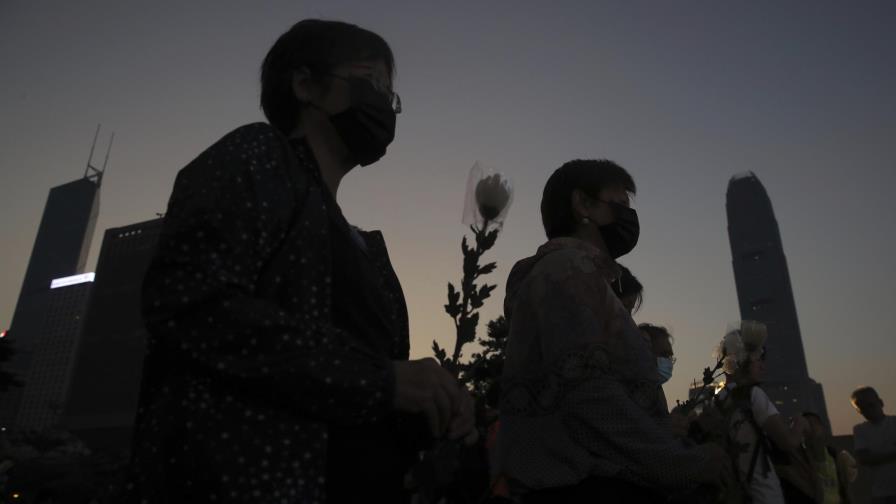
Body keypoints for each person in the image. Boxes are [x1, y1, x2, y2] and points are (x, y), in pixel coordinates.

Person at [124, 19, 474, 504]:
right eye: (371, 83)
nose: (384, 105)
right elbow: (189, 302)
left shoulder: (366, 247)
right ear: (306, 85)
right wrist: (379, 379)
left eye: (391, 96)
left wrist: (433, 407)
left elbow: (371, 388)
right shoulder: (257, 155)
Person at [495, 159, 728, 503]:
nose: (627, 217)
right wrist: (682, 463)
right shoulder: (566, 270)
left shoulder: (587, 279)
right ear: (583, 205)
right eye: (618, 205)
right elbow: (591, 397)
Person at [715, 320, 810, 504]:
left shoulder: (719, 399)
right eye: (759, 359)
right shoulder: (753, 394)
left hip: (731, 493)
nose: (762, 366)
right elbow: (788, 442)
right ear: (743, 360)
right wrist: (800, 424)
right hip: (764, 493)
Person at [851, 386, 896, 504]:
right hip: (881, 493)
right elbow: (864, 459)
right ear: (859, 410)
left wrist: (878, 457)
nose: (868, 410)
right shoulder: (860, 430)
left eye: (871, 405)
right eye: (863, 408)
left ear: (880, 403)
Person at [802, 412, 854, 504]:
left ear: (822, 427)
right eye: (807, 424)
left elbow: (842, 483)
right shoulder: (800, 455)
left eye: (814, 423)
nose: (812, 427)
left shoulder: (832, 453)